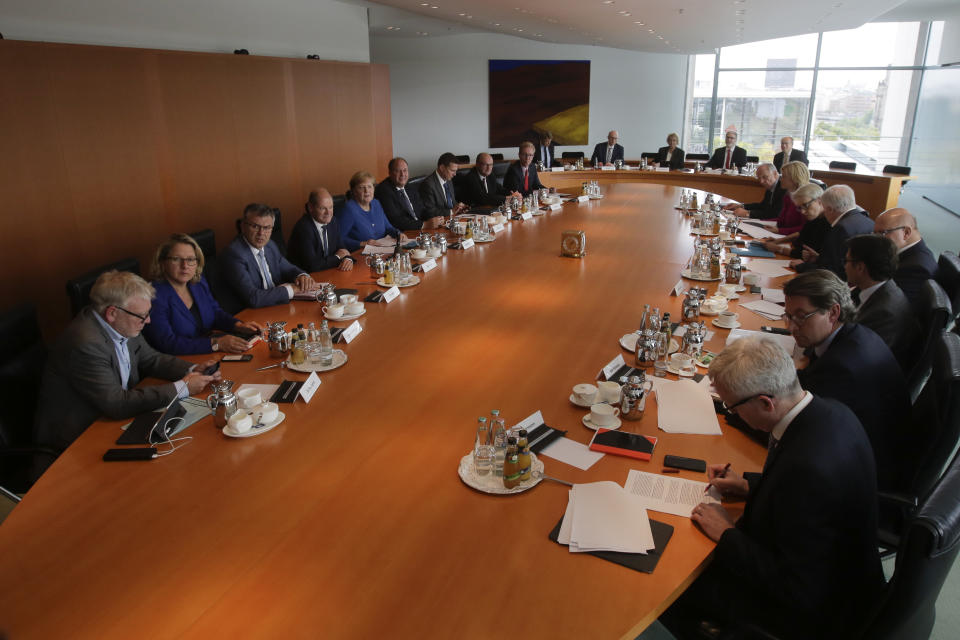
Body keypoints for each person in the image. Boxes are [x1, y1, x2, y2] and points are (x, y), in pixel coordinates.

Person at [660, 336, 883, 640]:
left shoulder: (810, 469)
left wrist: (726, 533)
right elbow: (803, 501)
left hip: (810, 614)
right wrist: (747, 485)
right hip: (841, 575)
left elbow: (795, 586)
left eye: (733, 407)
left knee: (668, 581)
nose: (732, 414)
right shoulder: (831, 412)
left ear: (766, 402)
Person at [35, 270, 221, 451]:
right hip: (79, 438)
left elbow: (151, 359)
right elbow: (116, 403)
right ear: (112, 313)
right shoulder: (85, 344)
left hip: (114, 419)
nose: (147, 321)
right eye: (142, 316)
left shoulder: (122, 322)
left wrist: (193, 369)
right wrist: (182, 388)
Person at [783, 269, 909, 490]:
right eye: (789, 316)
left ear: (833, 313)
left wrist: (736, 407)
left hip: (855, 481)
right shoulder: (850, 336)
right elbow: (807, 382)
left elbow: (799, 427)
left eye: (801, 317)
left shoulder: (843, 368)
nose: (791, 327)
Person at [143, 234, 263, 355]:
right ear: (162, 262)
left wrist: (238, 326)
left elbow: (215, 313)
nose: (185, 266)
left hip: (207, 354)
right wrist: (216, 344)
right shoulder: (153, 296)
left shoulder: (198, 283)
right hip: (180, 362)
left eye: (190, 259)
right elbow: (167, 343)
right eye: (176, 259)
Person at [845, 234, 919, 370]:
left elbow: (854, 357)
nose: (844, 266)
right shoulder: (880, 289)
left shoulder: (884, 313)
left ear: (860, 268)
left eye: (847, 261)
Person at [221, 203, 315, 308]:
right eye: (255, 226)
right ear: (243, 226)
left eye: (267, 228)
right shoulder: (234, 254)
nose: (261, 233)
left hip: (276, 306)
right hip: (252, 315)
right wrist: (290, 290)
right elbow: (253, 298)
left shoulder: (270, 245)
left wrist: (301, 276)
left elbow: (288, 268)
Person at [795, 184, 873, 278]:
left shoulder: (840, 229)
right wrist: (819, 259)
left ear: (829, 209)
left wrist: (802, 266)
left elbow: (831, 271)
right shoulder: (868, 221)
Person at [874, 207, 938, 308]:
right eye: (875, 233)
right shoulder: (908, 252)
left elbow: (891, 307)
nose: (876, 239)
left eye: (882, 233)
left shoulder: (916, 269)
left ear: (906, 233)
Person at [287, 187, 355, 273]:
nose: (328, 213)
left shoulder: (333, 221)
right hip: (307, 278)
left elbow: (342, 248)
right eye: (323, 208)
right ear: (310, 208)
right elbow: (312, 266)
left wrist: (348, 259)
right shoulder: (303, 228)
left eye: (330, 207)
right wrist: (337, 257)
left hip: (328, 273)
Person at [339, 170, 408, 251]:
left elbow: (388, 227)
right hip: (360, 253)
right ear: (354, 191)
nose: (366, 191)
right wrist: (361, 244)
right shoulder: (349, 209)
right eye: (361, 187)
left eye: (369, 186)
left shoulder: (376, 203)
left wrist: (398, 234)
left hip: (382, 250)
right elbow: (339, 239)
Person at [764, 184, 829, 259]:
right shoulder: (814, 217)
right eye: (799, 208)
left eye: (806, 205)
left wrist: (779, 249)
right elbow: (801, 233)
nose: (803, 212)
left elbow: (808, 255)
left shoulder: (827, 222)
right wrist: (778, 241)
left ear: (819, 200)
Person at [374, 157, 433, 232]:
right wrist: (424, 225)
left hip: (420, 229)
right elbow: (396, 221)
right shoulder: (384, 191)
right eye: (398, 171)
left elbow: (422, 209)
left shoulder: (409, 186)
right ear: (390, 173)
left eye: (405, 170)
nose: (402, 174)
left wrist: (434, 218)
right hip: (403, 233)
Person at [419, 152, 469, 221]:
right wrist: (451, 211)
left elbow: (452, 203)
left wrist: (459, 208)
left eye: (456, 171)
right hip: (438, 224)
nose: (455, 174)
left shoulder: (448, 180)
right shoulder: (428, 184)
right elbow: (429, 212)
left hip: (453, 219)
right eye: (452, 170)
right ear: (442, 168)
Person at [770, 161, 809, 234]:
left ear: (795, 179)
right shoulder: (788, 196)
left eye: (784, 177)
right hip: (782, 235)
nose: (780, 180)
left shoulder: (806, 199)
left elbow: (804, 228)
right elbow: (781, 221)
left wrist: (780, 231)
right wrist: (758, 222)